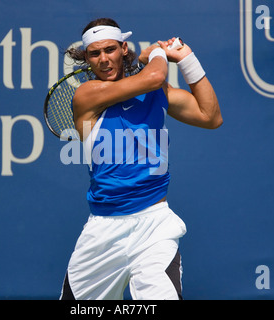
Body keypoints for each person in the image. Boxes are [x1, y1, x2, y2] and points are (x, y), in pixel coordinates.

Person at [60, 17, 222, 300]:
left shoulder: (156, 93)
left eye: (110, 50)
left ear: (123, 48)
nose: (104, 59)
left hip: (154, 226)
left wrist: (186, 59)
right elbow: (155, 76)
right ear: (86, 58)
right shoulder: (87, 94)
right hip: (102, 232)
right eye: (95, 54)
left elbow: (210, 117)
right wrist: (156, 53)